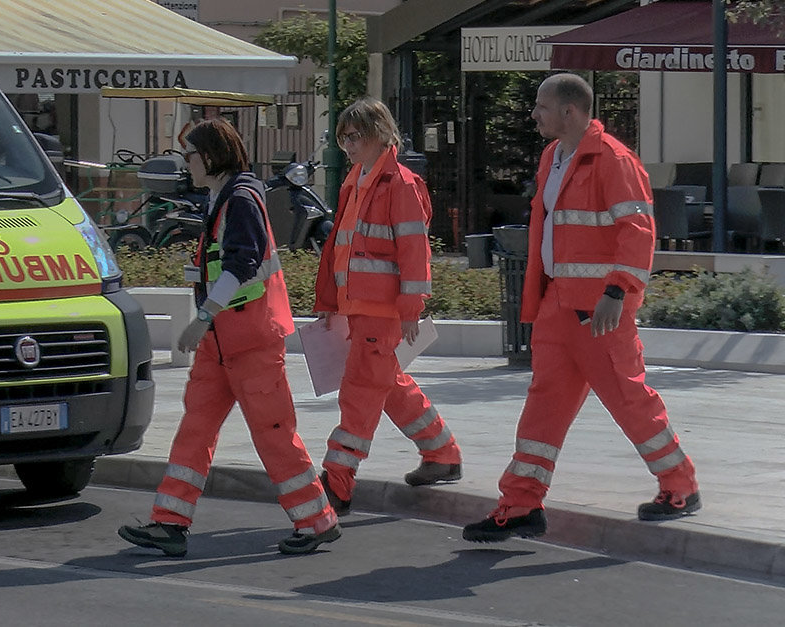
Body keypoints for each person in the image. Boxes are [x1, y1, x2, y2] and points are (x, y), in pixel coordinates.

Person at [463, 73, 700, 543]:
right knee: (542, 409)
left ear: (570, 111)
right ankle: (521, 502)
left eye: (541, 106)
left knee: (630, 403)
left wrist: (617, 292)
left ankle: (680, 487)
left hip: (598, 312)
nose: (534, 114)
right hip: (558, 305)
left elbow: (638, 230)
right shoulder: (553, 156)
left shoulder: (612, 158)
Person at [118, 119, 341, 557]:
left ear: (211, 156)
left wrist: (201, 318)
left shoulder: (240, 198)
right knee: (195, 427)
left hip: (249, 340)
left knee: (273, 433)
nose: (187, 165)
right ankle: (170, 523)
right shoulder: (225, 197)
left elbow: (241, 265)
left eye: (191, 156)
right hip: (226, 342)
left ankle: (317, 521)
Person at [314, 97, 463, 517]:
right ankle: (441, 453)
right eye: (342, 137)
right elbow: (338, 250)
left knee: (360, 390)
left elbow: (415, 251)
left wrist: (411, 307)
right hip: (360, 306)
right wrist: (329, 302)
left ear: (380, 133)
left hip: (381, 311)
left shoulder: (400, 184)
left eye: (354, 136)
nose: (346, 144)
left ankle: (338, 479)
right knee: (385, 384)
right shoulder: (356, 180)